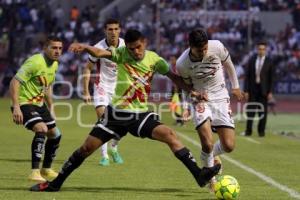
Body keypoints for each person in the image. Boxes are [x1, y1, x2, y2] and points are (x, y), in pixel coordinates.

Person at [30, 29, 220, 192]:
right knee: (86, 149)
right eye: (131, 48)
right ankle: (55, 184)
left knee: (170, 134)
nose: (136, 52)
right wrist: (85, 47)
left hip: (140, 115)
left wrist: (192, 91)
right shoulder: (121, 53)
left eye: (138, 47)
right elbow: (100, 52)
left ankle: (199, 174)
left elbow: (174, 78)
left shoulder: (155, 59)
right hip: (115, 115)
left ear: (144, 43)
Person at [176, 29, 244, 191]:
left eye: (205, 48)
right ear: (190, 47)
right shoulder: (182, 64)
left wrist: (235, 87)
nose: (204, 52)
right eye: (200, 50)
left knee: (229, 145)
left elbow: (229, 64)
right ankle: (212, 181)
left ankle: (212, 155)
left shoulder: (217, 47)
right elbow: (187, 87)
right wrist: (186, 106)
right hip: (200, 100)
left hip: (221, 97)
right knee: (207, 143)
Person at [9, 36, 63, 182]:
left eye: (60, 48)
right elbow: (14, 82)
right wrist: (16, 107)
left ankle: (46, 169)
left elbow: (47, 86)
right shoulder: (35, 62)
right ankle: (34, 172)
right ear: (45, 48)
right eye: (54, 48)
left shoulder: (55, 64)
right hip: (24, 102)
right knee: (41, 129)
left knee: (56, 134)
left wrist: (51, 107)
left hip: (39, 104)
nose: (57, 51)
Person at [82, 18, 124, 166]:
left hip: (121, 89)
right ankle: (104, 156)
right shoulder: (98, 47)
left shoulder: (126, 46)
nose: (113, 32)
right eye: (110, 29)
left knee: (123, 123)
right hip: (102, 87)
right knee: (104, 121)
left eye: (116, 29)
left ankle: (114, 147)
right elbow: (87, 68)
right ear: (105, 31)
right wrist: (85, 91)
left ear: (120, 30)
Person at [242, 41, 274, 137]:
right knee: (250, 111)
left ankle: (261, 132)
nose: (261, 51)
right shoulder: (252, 60)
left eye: (263, 49)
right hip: (252, 89)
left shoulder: (269, 62)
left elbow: (272, 78)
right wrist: (246, 90)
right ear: (257, 49)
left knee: (262, 112)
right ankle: (248, 131)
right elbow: (247, 76)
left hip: (263, 90)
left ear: (266, 50)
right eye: (259, 49)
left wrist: (270, 92)